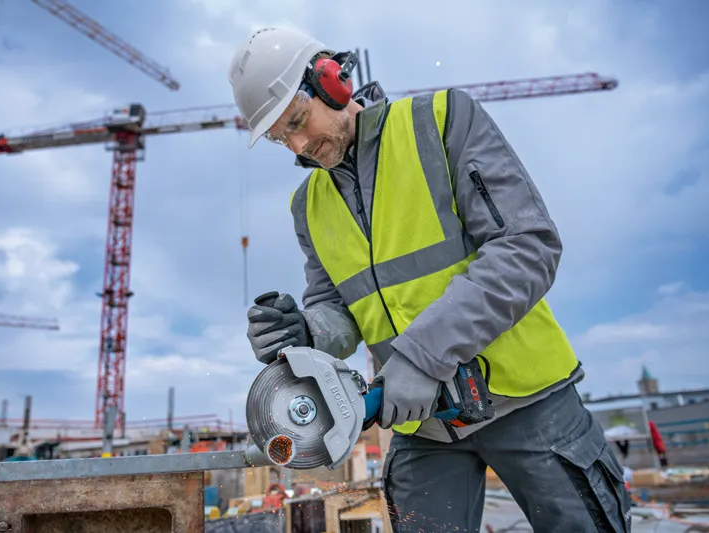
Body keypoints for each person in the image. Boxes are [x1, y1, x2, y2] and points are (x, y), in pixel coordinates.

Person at [229, 26, 632, 533]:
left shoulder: (442, 122)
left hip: (527, 398)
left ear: (332, 82)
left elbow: (527, 247)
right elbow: (340, 309)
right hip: (423, 420)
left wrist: (423, 355)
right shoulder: (307, 207)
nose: (300, 144)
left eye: (298, 120)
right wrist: (307, 332)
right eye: (279, 137)